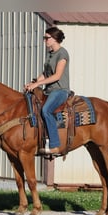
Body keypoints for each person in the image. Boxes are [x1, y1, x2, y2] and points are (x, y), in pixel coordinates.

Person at [25, 26, 70, 154]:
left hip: (60, 90)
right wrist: (33, 84)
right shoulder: (50, 54)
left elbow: (57, 75)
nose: (45, 40)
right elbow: (46, 73)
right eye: (44, 38)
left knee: (46, 110)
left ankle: (55, 145)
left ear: (55, 39)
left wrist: (38, 85)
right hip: (49, 90)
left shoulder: (62, 53)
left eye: (46, 38)